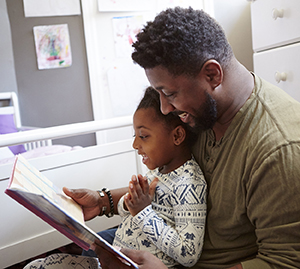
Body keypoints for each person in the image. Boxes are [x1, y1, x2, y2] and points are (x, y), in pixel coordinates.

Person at [27, 6, 300, 269]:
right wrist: (102, 202)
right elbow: (170, 186)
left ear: (213, 74)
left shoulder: (278, 150)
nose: (164, 108)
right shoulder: (202, 114)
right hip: (157, 241)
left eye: (169, 94)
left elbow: (283, 263)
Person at [24, 86, 207, 269]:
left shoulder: (189, 184)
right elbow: (133, 213)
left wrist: (142, 212)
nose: (135, 144)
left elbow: (188, 253)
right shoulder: (159, 171)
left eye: (143, 136)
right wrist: (126, 203)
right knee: (37, 266)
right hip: (115, 258)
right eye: (135, 135)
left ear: (177, 136)